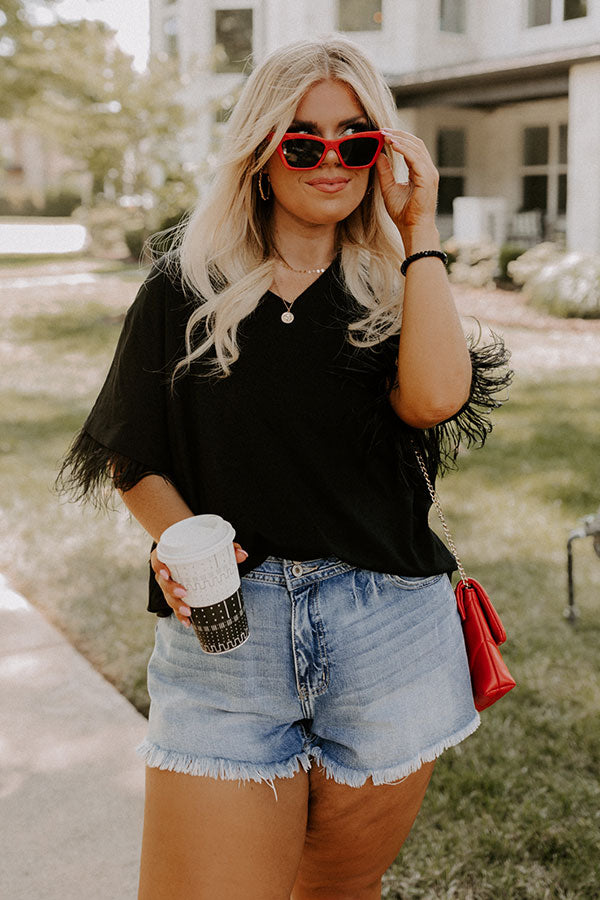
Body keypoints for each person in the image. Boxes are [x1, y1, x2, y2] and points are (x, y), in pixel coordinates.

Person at [58, 36, 510, 900]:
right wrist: (180, 536)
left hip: (388, 631)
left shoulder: (396, 288)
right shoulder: (185, 286)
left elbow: (434, 400)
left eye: (356, 139)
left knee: (337, 891)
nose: (331, 159)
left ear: (381, 152)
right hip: (229, 635)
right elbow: (130, 452)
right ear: (263, 153)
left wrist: (419, 232)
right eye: (303, 141)